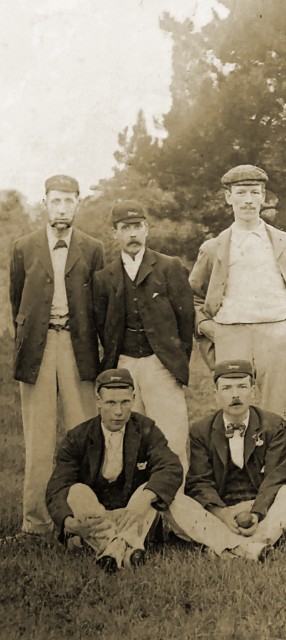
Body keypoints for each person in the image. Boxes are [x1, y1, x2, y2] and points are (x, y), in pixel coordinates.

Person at [9, 174, 103, 538]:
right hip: (39, 348)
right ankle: (36, 523)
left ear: (78, 203)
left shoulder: (92, 248)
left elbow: (97, 302)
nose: (62, 207)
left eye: (68, 200)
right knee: (39, 438)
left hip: (77, 349)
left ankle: (87, 521)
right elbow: (17, 301)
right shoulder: (23, 246)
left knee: (84, 434)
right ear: (44, 203)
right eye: (55, 200)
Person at [189, 165, 286, 418]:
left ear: (264, 197)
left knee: (277, 415)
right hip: (231, 333)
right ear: (228, 197)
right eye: (241, 192)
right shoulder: (213, 248)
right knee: (233, 412)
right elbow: (193, 295)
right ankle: (237, 458)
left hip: (278, 333)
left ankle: (275, 458)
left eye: (254, 193)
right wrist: (208, 327)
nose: (248, 200)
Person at [167, 360, 286, 561]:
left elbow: (277, 478)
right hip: (222, 512)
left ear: (253, 391)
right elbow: (200, 482)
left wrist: (256, 514)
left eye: (242, 387)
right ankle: (249, 547)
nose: (235, 394)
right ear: (215, 393)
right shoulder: (201, 431)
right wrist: (223, 514)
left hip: (265, 510)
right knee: (173, 499)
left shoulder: (274, 425)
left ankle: (229, 545)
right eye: (227, 388)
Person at [45, 368, 183, 572]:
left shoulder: (146, 428)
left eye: (125, 402)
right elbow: (57, 487)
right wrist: (68, 523)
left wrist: (143, 501)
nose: (118, 412)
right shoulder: (78, 436)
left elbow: (171, 466)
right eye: (110, 403)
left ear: (134, 399)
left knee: (150, 489)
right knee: (76, 492)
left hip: (131, 513)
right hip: (97, 515)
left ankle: (111, 553)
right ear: (98, 401)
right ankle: (126, 550)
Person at [93, 200, 194, 474]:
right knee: (128, 436)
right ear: (115, 233)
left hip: (161, 363)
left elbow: (186, 322)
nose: (133, 234)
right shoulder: (104, 278)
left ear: (147, 229)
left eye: (137, 226)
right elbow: (103, 326)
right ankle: (135, 505)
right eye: (125, 228)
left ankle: (176, 506)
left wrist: (174, 361)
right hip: (124, 364)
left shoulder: (169, 267)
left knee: (171, 435)